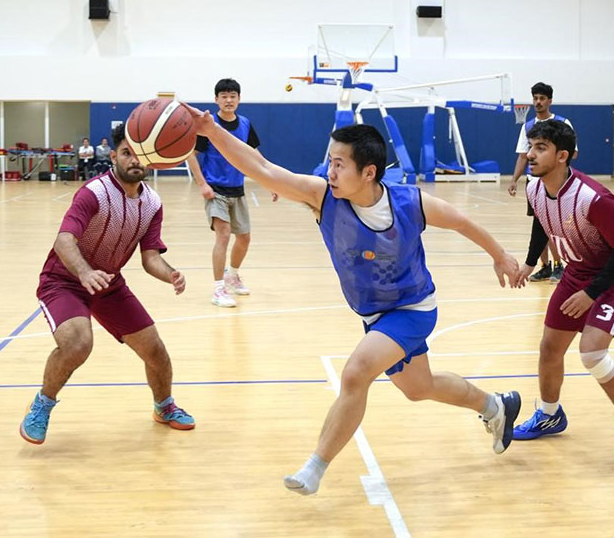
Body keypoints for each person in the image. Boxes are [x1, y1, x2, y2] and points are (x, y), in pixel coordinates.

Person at [186, 106, 522, 494]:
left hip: (413, 309)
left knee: (356, 371)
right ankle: (495, 405)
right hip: (375, 314)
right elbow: (261, 167)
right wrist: (211, 131)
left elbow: (462, 221)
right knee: (419, 387)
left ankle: (315, 467)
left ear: (369, 172)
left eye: (340, 164)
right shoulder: (322, 197)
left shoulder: (411, 203)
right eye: (330, 161)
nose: (330, 171)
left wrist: (500, 255)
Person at [20, 123, 194, 445]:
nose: (134, 160)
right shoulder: (94, 193)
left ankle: (164, 407)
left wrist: (170, 273)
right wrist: (85, 273)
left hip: (109, 285)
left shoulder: (153, 203)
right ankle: (42, 404)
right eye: (127, 153)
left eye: (139, 154)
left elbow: (150, 256)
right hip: (65, 281)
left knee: (156, 351)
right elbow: (63, 240)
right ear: (114, 156)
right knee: (78, 344)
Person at [511, 120, 614, 468]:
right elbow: (541, 222)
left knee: (592, 353)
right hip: (578, 271)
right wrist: (530, 263)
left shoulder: (594, 198)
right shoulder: (535, 189)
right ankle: (549, 414)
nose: (530, 154)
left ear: (562, 156)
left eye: (540, 147)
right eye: (531, 146)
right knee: (549, 347)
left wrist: (591, 294)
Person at [186, 78, 260, 307]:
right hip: (215, 190)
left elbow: (255, 157)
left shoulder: (245, 124)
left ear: (239, 99)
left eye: (233, 96)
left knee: (244, 238)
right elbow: (191, 155)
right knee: (224, 234)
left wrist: (271, 183)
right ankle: (219, 288)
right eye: (224, 96)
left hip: (238, 190)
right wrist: (202, 185)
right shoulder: (208, 125)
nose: (229, 100)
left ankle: (232, 274)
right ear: (216, 99)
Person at [508, 83, 577, 283]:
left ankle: (559, 265)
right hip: (534, 185)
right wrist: (514, 180)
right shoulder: (528, 126)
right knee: (539, 225)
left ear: (550, 101)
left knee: (552, 225)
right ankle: (545, 266)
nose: (538, 102)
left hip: (557, 184)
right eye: (535, 98)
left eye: (542, 98)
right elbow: (523, 156)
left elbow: (574, 152)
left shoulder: (563, 123)